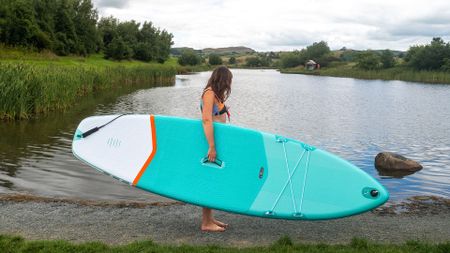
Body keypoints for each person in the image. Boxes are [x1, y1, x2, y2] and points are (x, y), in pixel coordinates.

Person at [199, 66, 232, 232]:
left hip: (218, 143)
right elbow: (206, 120)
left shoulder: (215, 94)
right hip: (210, 143)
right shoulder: (210, 93)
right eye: (228, 81)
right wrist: (211, 146)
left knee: (213, 178)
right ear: (222, 80)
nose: (229, 85)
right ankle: (206, 223)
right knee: (209, 179)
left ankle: (210, 218)